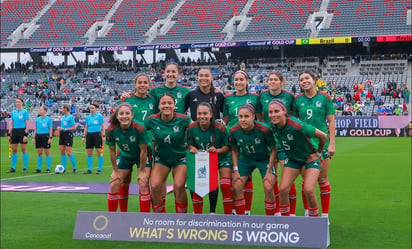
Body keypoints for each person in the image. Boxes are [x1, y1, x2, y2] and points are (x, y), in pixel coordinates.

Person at [268, 100, 327, 217]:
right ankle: (286, 223)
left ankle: (314, 222)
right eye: (270, 112)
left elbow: (323, 136)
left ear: (284, 111)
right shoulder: (272, 126)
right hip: (293, 159)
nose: (273, 115)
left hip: (309, 158)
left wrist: (318, 153)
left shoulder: (297, 125)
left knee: (309, 190)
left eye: (276, 111)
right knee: (284, 189)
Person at [293, 71, 336, 218]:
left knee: (322, 179)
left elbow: (331, 121)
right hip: (305, 146)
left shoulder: (324, 97)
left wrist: (332, 144)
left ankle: (325, 215)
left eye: (307, 78)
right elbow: (295, 123)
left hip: (321, 144)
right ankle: (308, 212)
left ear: (314, 80)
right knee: (306, 181)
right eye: (301, 79)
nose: (304, 81)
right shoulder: (297, 99)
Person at [185, 67, 226, 214]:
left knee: (213, 180)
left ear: (212, 78)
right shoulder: (190, 95)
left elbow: (225, 113)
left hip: (213, 141)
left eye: (206, 75)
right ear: (197, 77)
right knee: (197, 181)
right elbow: (181, 113)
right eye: (200, 75)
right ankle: (198, 214)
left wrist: (222, 123)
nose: (203, 78)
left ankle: (213, 212)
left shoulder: (219, 95)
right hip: (196, 139)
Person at [223, 70, 262, 215]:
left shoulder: (254, 98)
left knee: (247, 176)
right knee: (234, 177)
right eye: (236, 79)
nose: (238, 82)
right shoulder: (228, 99)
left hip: (248, 141)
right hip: (232, 141)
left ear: (247, 81)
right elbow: (225, 121)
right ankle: (234, 209)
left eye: (241, 79)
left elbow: (259, 120)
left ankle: (246, 210)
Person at [146, 93, 191, 213]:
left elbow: (197, 129)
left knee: (179, 185)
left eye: (170, 103)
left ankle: (181, 218)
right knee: (155, 186)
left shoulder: (184, 119)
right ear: (159, 106)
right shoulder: (152, 120)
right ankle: (160, 218)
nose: (167, 106)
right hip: (162, 158)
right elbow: (139, 130)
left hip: (180, 157)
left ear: (174, 105)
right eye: (163, 103)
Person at [258, 71, 295, 216]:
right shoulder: (262, 96)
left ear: (282, 82)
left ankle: (291, 213)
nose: (272, 82)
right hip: (269, 144)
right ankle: (277, 212)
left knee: (287, 179)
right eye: (270, 79)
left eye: (275, 79)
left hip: (285, 144)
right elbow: (260, 117)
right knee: (271, 179)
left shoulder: (289, 97)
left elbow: (293, 116)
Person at [118, 73, 157, 212]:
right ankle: (122, 215)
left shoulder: (153, 100)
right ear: (135, 85)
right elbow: (117, 121)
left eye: (145, 82)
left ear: (149, 85)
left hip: (145, 147)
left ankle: (144, 219)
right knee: (122, 182)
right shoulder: (127, 101)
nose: (142, 85)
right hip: (127, 147)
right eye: (139, 82)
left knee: (143, 182)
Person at [229, 104, 277, 215]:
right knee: (236, 186)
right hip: (246, 159)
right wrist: (235, 169)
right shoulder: (234, 131)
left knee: (268, 187)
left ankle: (271, 221)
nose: (243, 120)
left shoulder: (264, 129)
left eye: (246, 116)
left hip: (263, 159)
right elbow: (234, 149)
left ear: (253, 116)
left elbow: (273, 150)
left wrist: (269, 170)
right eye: (240, 116)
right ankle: (242, 220)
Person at [187, 102, 232, 214]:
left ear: (211, 114)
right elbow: (188, 143)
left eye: (205, 113)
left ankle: (218, 214)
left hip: (221, 158)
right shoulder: (192, 128)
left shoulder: (220, 128)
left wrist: (218, 150)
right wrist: (191, 147)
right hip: (202, 160)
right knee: (195, 185)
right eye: (199, 114)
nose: (202, 116)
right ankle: (197, 214)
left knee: (225, 185)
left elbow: (228, 147)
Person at [105, 103, 149, 212]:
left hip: (140, 156)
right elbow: (112, 151)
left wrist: (142, 170)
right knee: (115, 183)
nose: (124, 116)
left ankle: (145, 219)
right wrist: (115, 171)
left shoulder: (140, 128)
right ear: (117, 116)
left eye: (127, 113)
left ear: (132, 115)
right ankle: (114, 217)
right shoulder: (111, 130)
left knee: (143, 183)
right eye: (121, 114)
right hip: (124, 156)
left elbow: (144, 151)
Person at [7, 98, 30, 173]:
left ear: (22, 103)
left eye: (19, 102)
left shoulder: (25, 112)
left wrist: (26, 134)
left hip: (22, 131)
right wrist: (9, 133)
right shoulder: (13, 112)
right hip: (15, 131)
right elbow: (11, 123)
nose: (17, 103)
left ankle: (25, 168)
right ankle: (13, 168)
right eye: (16, 102)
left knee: (24, 149)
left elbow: (27, 123)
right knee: (14, 150)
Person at [82, 103, 106, 174]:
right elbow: (86, 127)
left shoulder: (99, 116)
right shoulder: (88, 117)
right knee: (89, 152)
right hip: (89, 135)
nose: (91, 109)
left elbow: (103, 126)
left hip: (97, 134)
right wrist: (84, 136)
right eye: (90, 108)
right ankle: (89, 169)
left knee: (99, 152)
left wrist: (103, 135)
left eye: (92, 108)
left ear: (96, 108)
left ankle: (99, 169)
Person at [32, 106, 53, 173]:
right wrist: (33, 137)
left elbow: (51, 129)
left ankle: (48, 168)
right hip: (38, 136)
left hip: (46, 136)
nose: (39, 111)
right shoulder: (37, 119)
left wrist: (50, 137)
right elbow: (35, 129)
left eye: (41, 110)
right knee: (39, 153)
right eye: (39, 110)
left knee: (47, 153)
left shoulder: (48, 119)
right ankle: (39, 168)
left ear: (45, 111)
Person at [57, 104, 78, 173]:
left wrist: (64, 129)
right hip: (62, 134)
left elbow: (74, 127)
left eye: (62, 109)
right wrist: (60, 129)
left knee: (69, 151)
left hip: (68, 134)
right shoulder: (63, 117)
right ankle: (63, 168)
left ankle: (75, 168)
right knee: (62, 151)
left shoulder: (71, 117)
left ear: (66, 109)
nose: (61, 110)